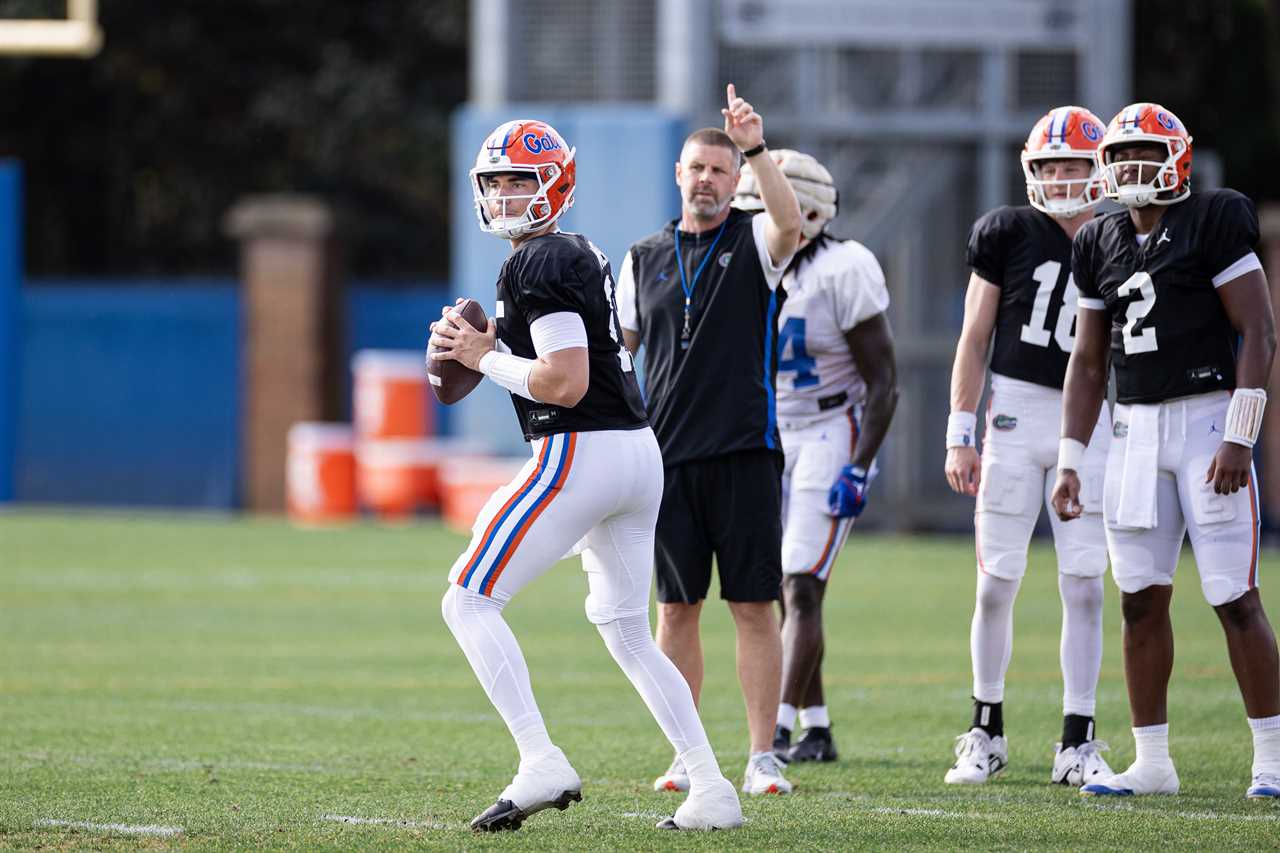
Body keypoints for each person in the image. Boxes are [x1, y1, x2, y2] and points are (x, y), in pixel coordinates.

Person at [432, 118, 743, 832]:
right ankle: (711, 786)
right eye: (497, 182)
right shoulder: (574, 252)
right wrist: (486, 349)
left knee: (468, 600)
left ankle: (540, 757)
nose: (507, 194)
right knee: (627, 629)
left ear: (556, 184)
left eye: (522, 180)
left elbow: (563, 382)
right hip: (635, 453)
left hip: (582, 449)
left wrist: (483, 357)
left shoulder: (535, 262)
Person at [1052, 102, 1280, 800]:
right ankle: (1153, 761)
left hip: (1209, 421)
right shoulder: (1098, 240)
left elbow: (1260, 331)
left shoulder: (1215, 218)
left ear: (1177, 157)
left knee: (1233, 596)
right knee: (1139, 600)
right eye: (1120, 158)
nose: (1131, 168)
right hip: (1134, 431)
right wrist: (1069, 455)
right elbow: (1088, 362)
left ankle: (1272, 757)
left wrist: (1242, 433)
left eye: (1145, 154)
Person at [615, 84, 803, 795]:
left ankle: (762, 755)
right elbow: (619, 355)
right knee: (675, 609)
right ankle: (686, 752)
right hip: (663, 461)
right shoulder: (642, 257)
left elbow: (790, 226)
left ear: (736, 180)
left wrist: (756, 147)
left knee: (754, 605)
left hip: (746, 451)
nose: (706, 179)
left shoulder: (757, 237)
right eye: (696, 167)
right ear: (678, 174)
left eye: (720, 170)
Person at [942, 106, 1116, 787]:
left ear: (1097, 170)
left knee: (1085, 585)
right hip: (1013, 412)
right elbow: (974, 336)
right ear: (1031, 172)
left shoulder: (1119, 238)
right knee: (995, 583)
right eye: (1049, 167)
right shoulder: (1007, 231)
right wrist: (961, 431)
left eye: (1074, 165)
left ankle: (1078, 737)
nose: (1062, 178)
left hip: (1092, 421)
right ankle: (986, 728)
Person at [732, 149, 899, 765]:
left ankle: (773, 730)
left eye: (766, 207)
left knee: (801, 583)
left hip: (833, 426)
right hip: (770, 431)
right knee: (781, 584)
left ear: (807, 213)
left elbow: (883, 381)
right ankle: (817, 725)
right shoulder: (744, 265)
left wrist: (859, 464)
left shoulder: (844, 268)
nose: (755, 222)